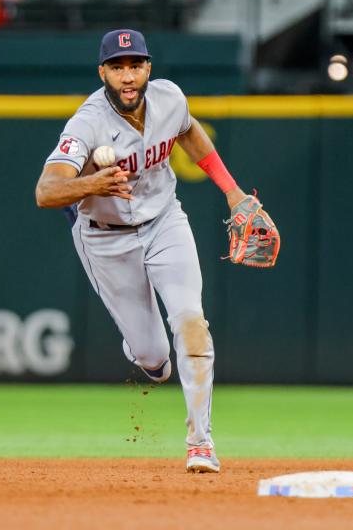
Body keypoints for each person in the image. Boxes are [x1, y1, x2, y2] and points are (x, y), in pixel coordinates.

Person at [35, 29, 248, 474]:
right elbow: (46, 191)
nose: (127, 76)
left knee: (191, 321)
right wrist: (93, 182)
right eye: (117, 67)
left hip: (165, 220)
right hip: (105, 236)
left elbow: (191, 135)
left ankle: (200, 443)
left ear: (148, 68)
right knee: (154, 357)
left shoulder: (170, 98)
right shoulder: (87, 123)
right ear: (103, 72)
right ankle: (147, 358)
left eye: (135, 65)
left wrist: (232, 193)